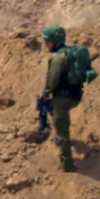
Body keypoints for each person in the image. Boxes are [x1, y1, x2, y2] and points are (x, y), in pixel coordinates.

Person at [40, 26, 80, 173]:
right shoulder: (71, 53)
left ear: (55, 42)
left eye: (48, 42)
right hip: (74, 96)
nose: (46, 45)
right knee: (59, 122)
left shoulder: (57, 58)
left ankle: (68, 167)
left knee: (62, 133)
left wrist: (45, 93)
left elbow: (53, 80)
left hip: (62, 99)